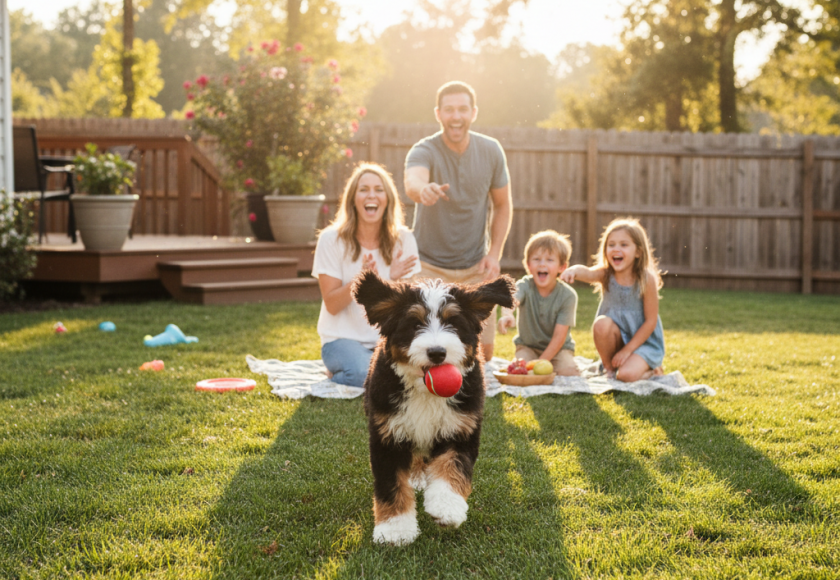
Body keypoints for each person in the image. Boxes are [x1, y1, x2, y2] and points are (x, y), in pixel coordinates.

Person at [404, 80, 513, 362]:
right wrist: (422, 190)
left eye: (462, 109)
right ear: (438, 113)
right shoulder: (424, 149)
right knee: (426, 352)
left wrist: (494, 254)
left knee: (480, 357)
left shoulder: (491, 150)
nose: (456, 116)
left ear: (473, 112)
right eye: (449, 110)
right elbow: (412, 181)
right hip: (427, 268)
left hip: (476, 268)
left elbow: (503, 206)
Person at [311, 163, 421, 387]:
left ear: (388, 198)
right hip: (340, 340)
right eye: (364, 189)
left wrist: (393, 280)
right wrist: (361, 281)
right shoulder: (330, 239)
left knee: (415, 376)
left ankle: (360, 367)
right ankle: (343, 372)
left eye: (379, 189)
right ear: (353, 199)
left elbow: (411, 308)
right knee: (365, 374)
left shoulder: (404, 239)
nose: (372, 195)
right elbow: (331, 304)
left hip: (385, 339)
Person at [560, 217, 665, 382]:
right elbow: (587, 272)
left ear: (638, 252)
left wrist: (627, 351)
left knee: (626, 375)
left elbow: (650, 322)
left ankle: (653, 370)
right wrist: (573, 270)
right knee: (601, 323)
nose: (616, 249)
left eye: (624, 245)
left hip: (643, 344)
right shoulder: (606, 274)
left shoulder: (646, 279)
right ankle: (608, 369)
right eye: (611, 245)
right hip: (617, 339)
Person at [497, 230, 579, 376]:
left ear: (562, 267)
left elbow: (559, 338)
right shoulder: (524, 286)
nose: (542, 264)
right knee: (519, 371)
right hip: (528, 347)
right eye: (536, 259)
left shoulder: (568, 296)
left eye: (549, 260)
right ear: (528, 265)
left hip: (559, 349)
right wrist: (507, 315)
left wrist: (539, 364)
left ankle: (549, 365)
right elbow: (511, 299)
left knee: (569, 372)